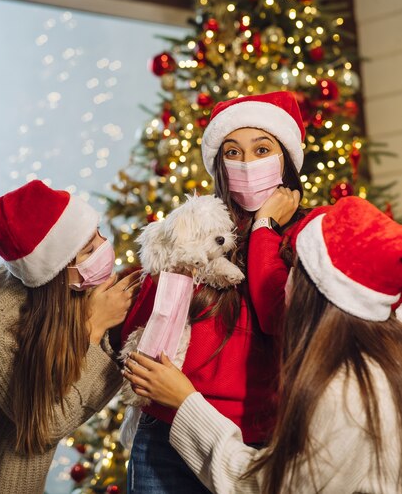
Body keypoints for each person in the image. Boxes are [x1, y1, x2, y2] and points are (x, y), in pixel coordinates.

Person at [124, 196, 402, 494]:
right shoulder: (377, 360)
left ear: (317, 293)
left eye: (294, 269)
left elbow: (269, 486)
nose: (284, 280)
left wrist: (185, 403)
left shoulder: (345, 392)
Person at [121, 91, 310, 493]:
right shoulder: (198, 225)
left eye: (262, 149)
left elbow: (281, 317)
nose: (246, 164)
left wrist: (263, 232)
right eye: (232, 152)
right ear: (219, 163)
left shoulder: (312, 235)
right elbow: (142, 329)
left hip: (258, 441)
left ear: (287, 159)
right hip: (166, 433)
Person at [0, 179, 141, 494]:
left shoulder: (73, 287)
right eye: (89, 250)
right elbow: (45, 425)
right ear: (54, 270)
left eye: (98, 234)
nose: (105, 248)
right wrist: (95, 328)